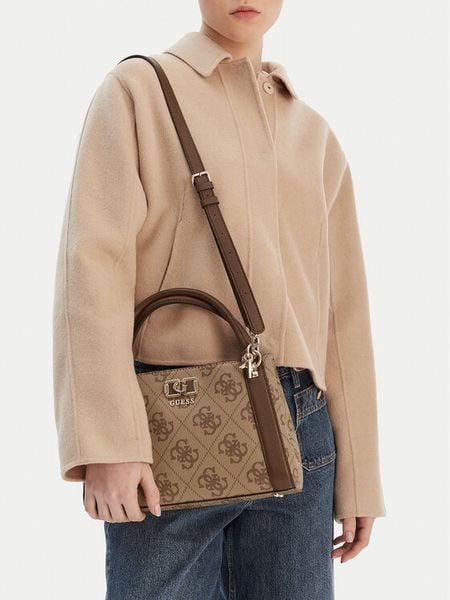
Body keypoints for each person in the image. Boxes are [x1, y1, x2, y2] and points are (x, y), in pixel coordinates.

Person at [52, 1, 387, 598]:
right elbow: (93, 270)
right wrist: (107, 442)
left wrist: (360, 475)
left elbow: (343, 310)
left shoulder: (314, 134)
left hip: (301, 432)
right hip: (170, 421)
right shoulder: (139, 91)